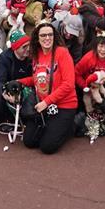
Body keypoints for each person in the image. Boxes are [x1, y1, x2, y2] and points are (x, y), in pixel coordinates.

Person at [18, 21, 77, 154]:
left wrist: (46, 102)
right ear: (37, 39)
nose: (47, 38)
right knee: (29, 142)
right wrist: (18, 82)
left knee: (47, 147)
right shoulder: (36, 55)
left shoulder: (62, 53)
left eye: (50, 35)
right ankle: (54, 128)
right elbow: (37, 79)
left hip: (63, 105)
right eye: (43, 35)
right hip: (45, 105)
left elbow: (68, 84)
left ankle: (70, 127)